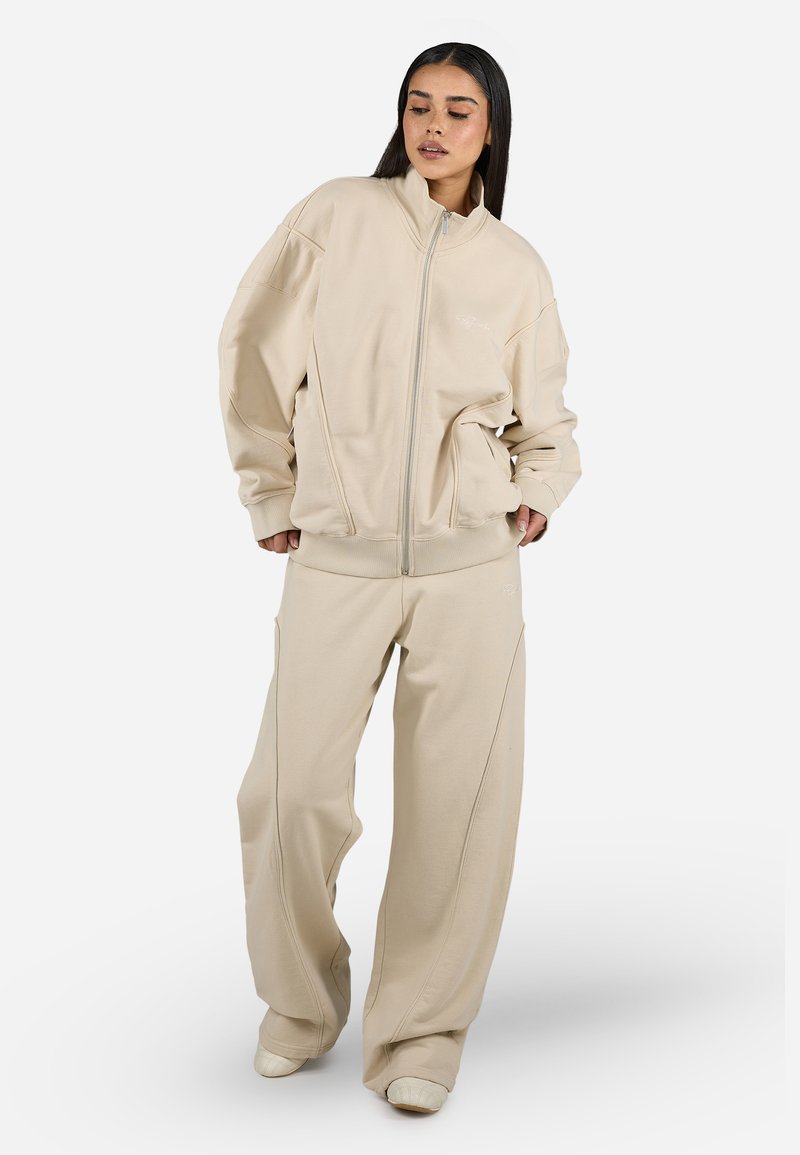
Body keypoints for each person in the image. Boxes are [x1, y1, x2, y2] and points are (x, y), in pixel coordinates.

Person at [217, 41, 581, 1114]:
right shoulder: (335, 217)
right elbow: (250, 348)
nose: (433, 125)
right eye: (419, 104)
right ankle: (299, 1003)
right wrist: (270, 491)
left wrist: (538, 488)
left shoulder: (514, 265)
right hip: (339, 555)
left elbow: (547, 418)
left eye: (458, 110)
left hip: (471, 564)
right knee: (286, 794)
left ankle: (421, 1031)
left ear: (490, 129)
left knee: (457, 810)